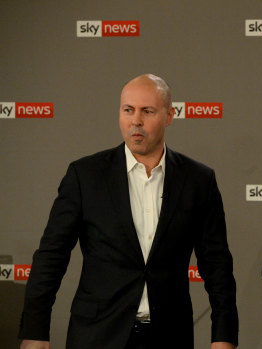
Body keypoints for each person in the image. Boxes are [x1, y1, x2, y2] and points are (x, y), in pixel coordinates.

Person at [18, 74, 238, 349]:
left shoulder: (198, 180)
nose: (136, 120)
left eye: (147, 111)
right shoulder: (85, 176)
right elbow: (51, 256)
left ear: (169, 116)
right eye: (128, 110)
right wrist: (35, 330)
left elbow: (217, 266)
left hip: (170, 336)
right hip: (97, 335)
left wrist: (224, 336)